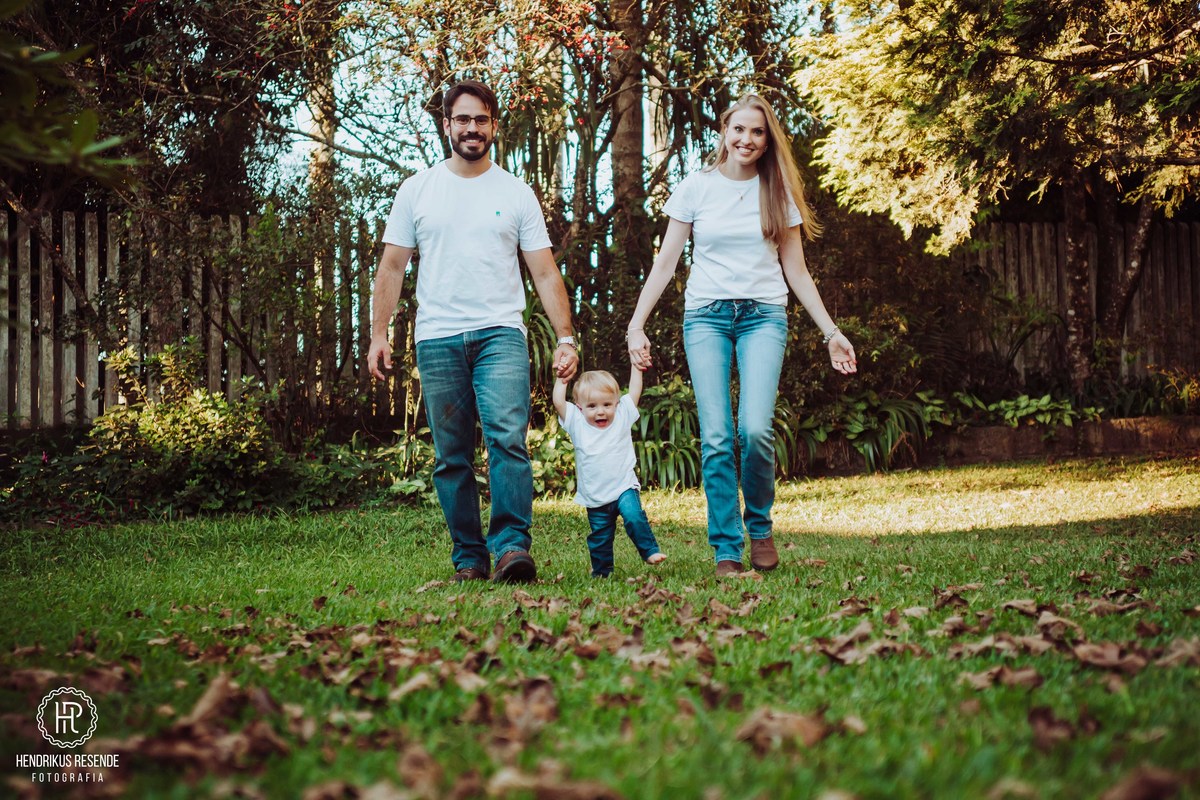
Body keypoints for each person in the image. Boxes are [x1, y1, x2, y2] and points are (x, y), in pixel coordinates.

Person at [626, 94, 857, 578]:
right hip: (706, 317)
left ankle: (760, 527)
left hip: (763, 317)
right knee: (715, 436)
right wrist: (637, 322)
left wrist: (830, 331)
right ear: (724, 132)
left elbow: (796, 270)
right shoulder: (696, 188)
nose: (747, 140)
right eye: (739, 130)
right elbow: (666, 261)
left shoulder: (778, 193)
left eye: (757, 132)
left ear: (767, 140)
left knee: (753, 429)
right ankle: (727, 548)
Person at [368, 80, 579, 584]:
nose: (471, 128)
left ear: (493, 126)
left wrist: (566, 337)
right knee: (452, 454)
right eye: (462, 119)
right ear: (446, 125)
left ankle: (510, 548)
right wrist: (379, 333)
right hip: (438, 337)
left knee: (508, 440)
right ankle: (469, 557)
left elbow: (545, 273)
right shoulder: (417, 190)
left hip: (500, 334)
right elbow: (392, 267)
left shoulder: (515, 192)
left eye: (481, 119)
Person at [553, 367, 668, 577]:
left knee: (634, 517)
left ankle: (649, 551)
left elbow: (634, 391)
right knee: (600, 537)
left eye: (607, 404)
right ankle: (601, 572)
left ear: (616, 403)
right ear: (579, 407)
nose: (601, 411)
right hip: (595, 496)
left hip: (624, 487)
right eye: (592, 406)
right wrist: (562, 380)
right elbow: (559, 403)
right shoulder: (576, 422)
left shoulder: (622, 414)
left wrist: (636, 366)